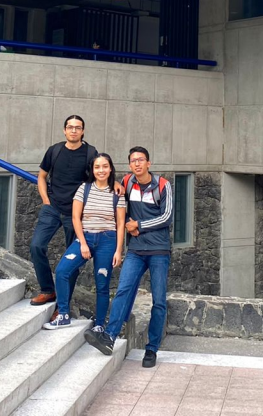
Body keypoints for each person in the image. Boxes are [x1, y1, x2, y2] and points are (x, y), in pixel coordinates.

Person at [84, 146, 172, 368]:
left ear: (148, 163)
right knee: (123, 290)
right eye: (133, 161)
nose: (137, 164)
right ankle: (110, 336)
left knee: (159, 301)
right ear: (130, 165)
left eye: (141, 160)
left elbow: (167, 216)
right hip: (135, 250)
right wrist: (115, 183)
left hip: (159, 251)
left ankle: (151, 349)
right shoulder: (127, 183)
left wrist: (138, 225)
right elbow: (114, 190)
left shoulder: (162, 185)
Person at [43, 153, 126, 331]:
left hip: (108, 240)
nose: (101, 170)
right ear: (92, 169)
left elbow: (120, 224)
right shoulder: (84, 189)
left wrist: (119, 250)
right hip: (85, 237)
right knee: (63, 270)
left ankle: (99, 325)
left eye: (105, 166)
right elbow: (75, 217)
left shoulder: (118, 193)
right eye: (97, 167)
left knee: (102, 283)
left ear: (110, 168)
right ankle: (63, 314)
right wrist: (82, 243)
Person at [29, 116, 98, 312]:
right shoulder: (55, 150)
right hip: (52, 208)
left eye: (78, 128)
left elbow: (101, 177)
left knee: (72, 258)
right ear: (64, 130)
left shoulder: (91, 153)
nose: (74, 131)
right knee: (36, 246)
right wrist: (45, 199)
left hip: (76, 213)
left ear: (83, 131)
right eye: (70, 127)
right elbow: (42, 176)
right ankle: (47, 290)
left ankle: (62, 304)